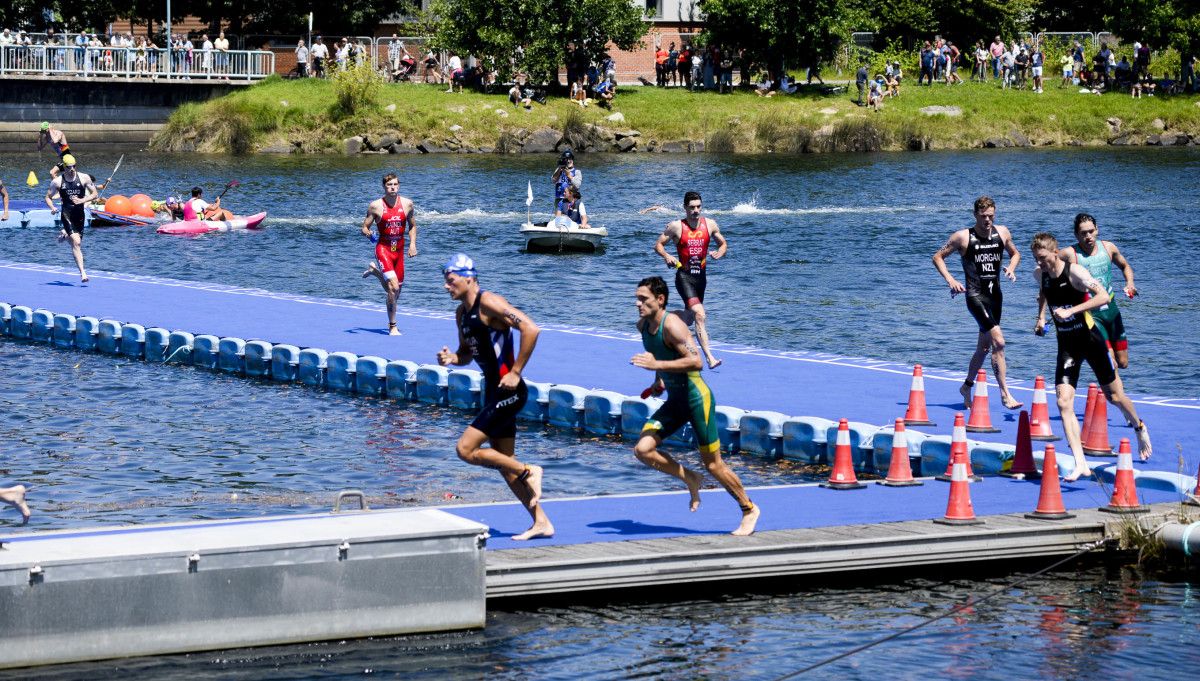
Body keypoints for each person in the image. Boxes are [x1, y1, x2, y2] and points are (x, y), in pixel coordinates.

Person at [631, 276, 759, 536]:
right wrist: (658, 380)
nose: (638, 303)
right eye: (637, 298)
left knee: (713, 464)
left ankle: (749, 508)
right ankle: (690, 477)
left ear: (660, 299)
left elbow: (696, 361)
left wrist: (658, 367)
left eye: (643, 299)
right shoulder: (642, 325)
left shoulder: (674, 326)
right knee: (643, 450)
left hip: (696, 399)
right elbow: (659, 355)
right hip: (675, 401)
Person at [437, 254, 552, 541]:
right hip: (493, 391)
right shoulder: (462, 314)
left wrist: (516, 371)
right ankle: (541, 522)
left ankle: (528, 470)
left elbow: (531, 328)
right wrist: (453, 357)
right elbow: (467, 353)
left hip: (509, 391)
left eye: (450, 281)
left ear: (469, 278)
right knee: (503, 462)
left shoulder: (489, 302)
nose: (446, 287)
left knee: (465, 449)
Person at [1031, 233, 1151, 481]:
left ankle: (1139, 426)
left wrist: (1072, 310)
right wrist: (1041, 317)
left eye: (1042, 258)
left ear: (1055, 253)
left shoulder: (1075, 273)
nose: (1039, 264)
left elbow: (1103, 297)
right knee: (1064, 403)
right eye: (1036, 259)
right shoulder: (1040, 274)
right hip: (1066, 345)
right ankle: (1080, 463)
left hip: (1091, 340)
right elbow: (1043, 293)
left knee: (1115, 396)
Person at [932, 196, 1023, 411]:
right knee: (998, 342)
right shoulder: (962, 237)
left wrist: (1011, 267)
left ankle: (966, 386)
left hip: (995, 297)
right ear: (975, 215)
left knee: (983, 348)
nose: (987, 220)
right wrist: (951, 280)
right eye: (983, 216)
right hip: (974, 297)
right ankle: (1005, 394)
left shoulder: (1002, 232)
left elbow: (1016, 253)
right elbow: (937, 257)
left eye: (991, 216)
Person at [655, 191, 726, 369]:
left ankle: (664, 320)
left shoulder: (710, 224)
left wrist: (720, 252)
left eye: (698, 207)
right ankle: (710, 358)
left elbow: (723, 243)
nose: (696, 210)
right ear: (685, 207)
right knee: (700, 315)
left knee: (689, 318)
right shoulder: (676, 227)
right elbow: (658, 245)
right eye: (692, 207)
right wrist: (667, 256)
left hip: (701, 278)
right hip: (684, 276)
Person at [1057, 213, 1136, 370]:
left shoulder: (1109, 248)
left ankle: (1111, 389)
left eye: (1091, 231)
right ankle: (1113, 393)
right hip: (1091, 315)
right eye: (1083, 233)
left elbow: (1125, 266)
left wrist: (1130, 283)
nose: (1088, 236)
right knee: (1109, 361)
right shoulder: (1069, 254)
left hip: (1112, 311)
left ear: (1097, 230)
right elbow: (1047, 266)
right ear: (1076, 234)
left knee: (1123, 362)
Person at [361, 172, 418, 335]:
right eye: (389, 185)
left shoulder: (407, 204)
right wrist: (368, 233)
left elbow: (413, 226)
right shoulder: (375, 206)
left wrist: (412, 245)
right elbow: (364, 226)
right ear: (384, 187)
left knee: (395, 291)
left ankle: (376, 273)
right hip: (384, 248)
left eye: (395, 184)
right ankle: (392, 326)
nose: (392, 187)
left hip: (399, 249)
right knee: (392, 287)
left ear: (398, 186)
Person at [44, 154, 96, 282]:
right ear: (64, 167)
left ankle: (65, 235)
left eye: (74, 166)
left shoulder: (84, 178)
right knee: (76, 243)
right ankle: (83, 273)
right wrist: (52, 208)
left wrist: (82, 200)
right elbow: (48, 197)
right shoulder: (57, 181)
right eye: (69, 167)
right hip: (67, 215)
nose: (72, 169)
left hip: (79, 216)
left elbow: (95, 194)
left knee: (76, 242)